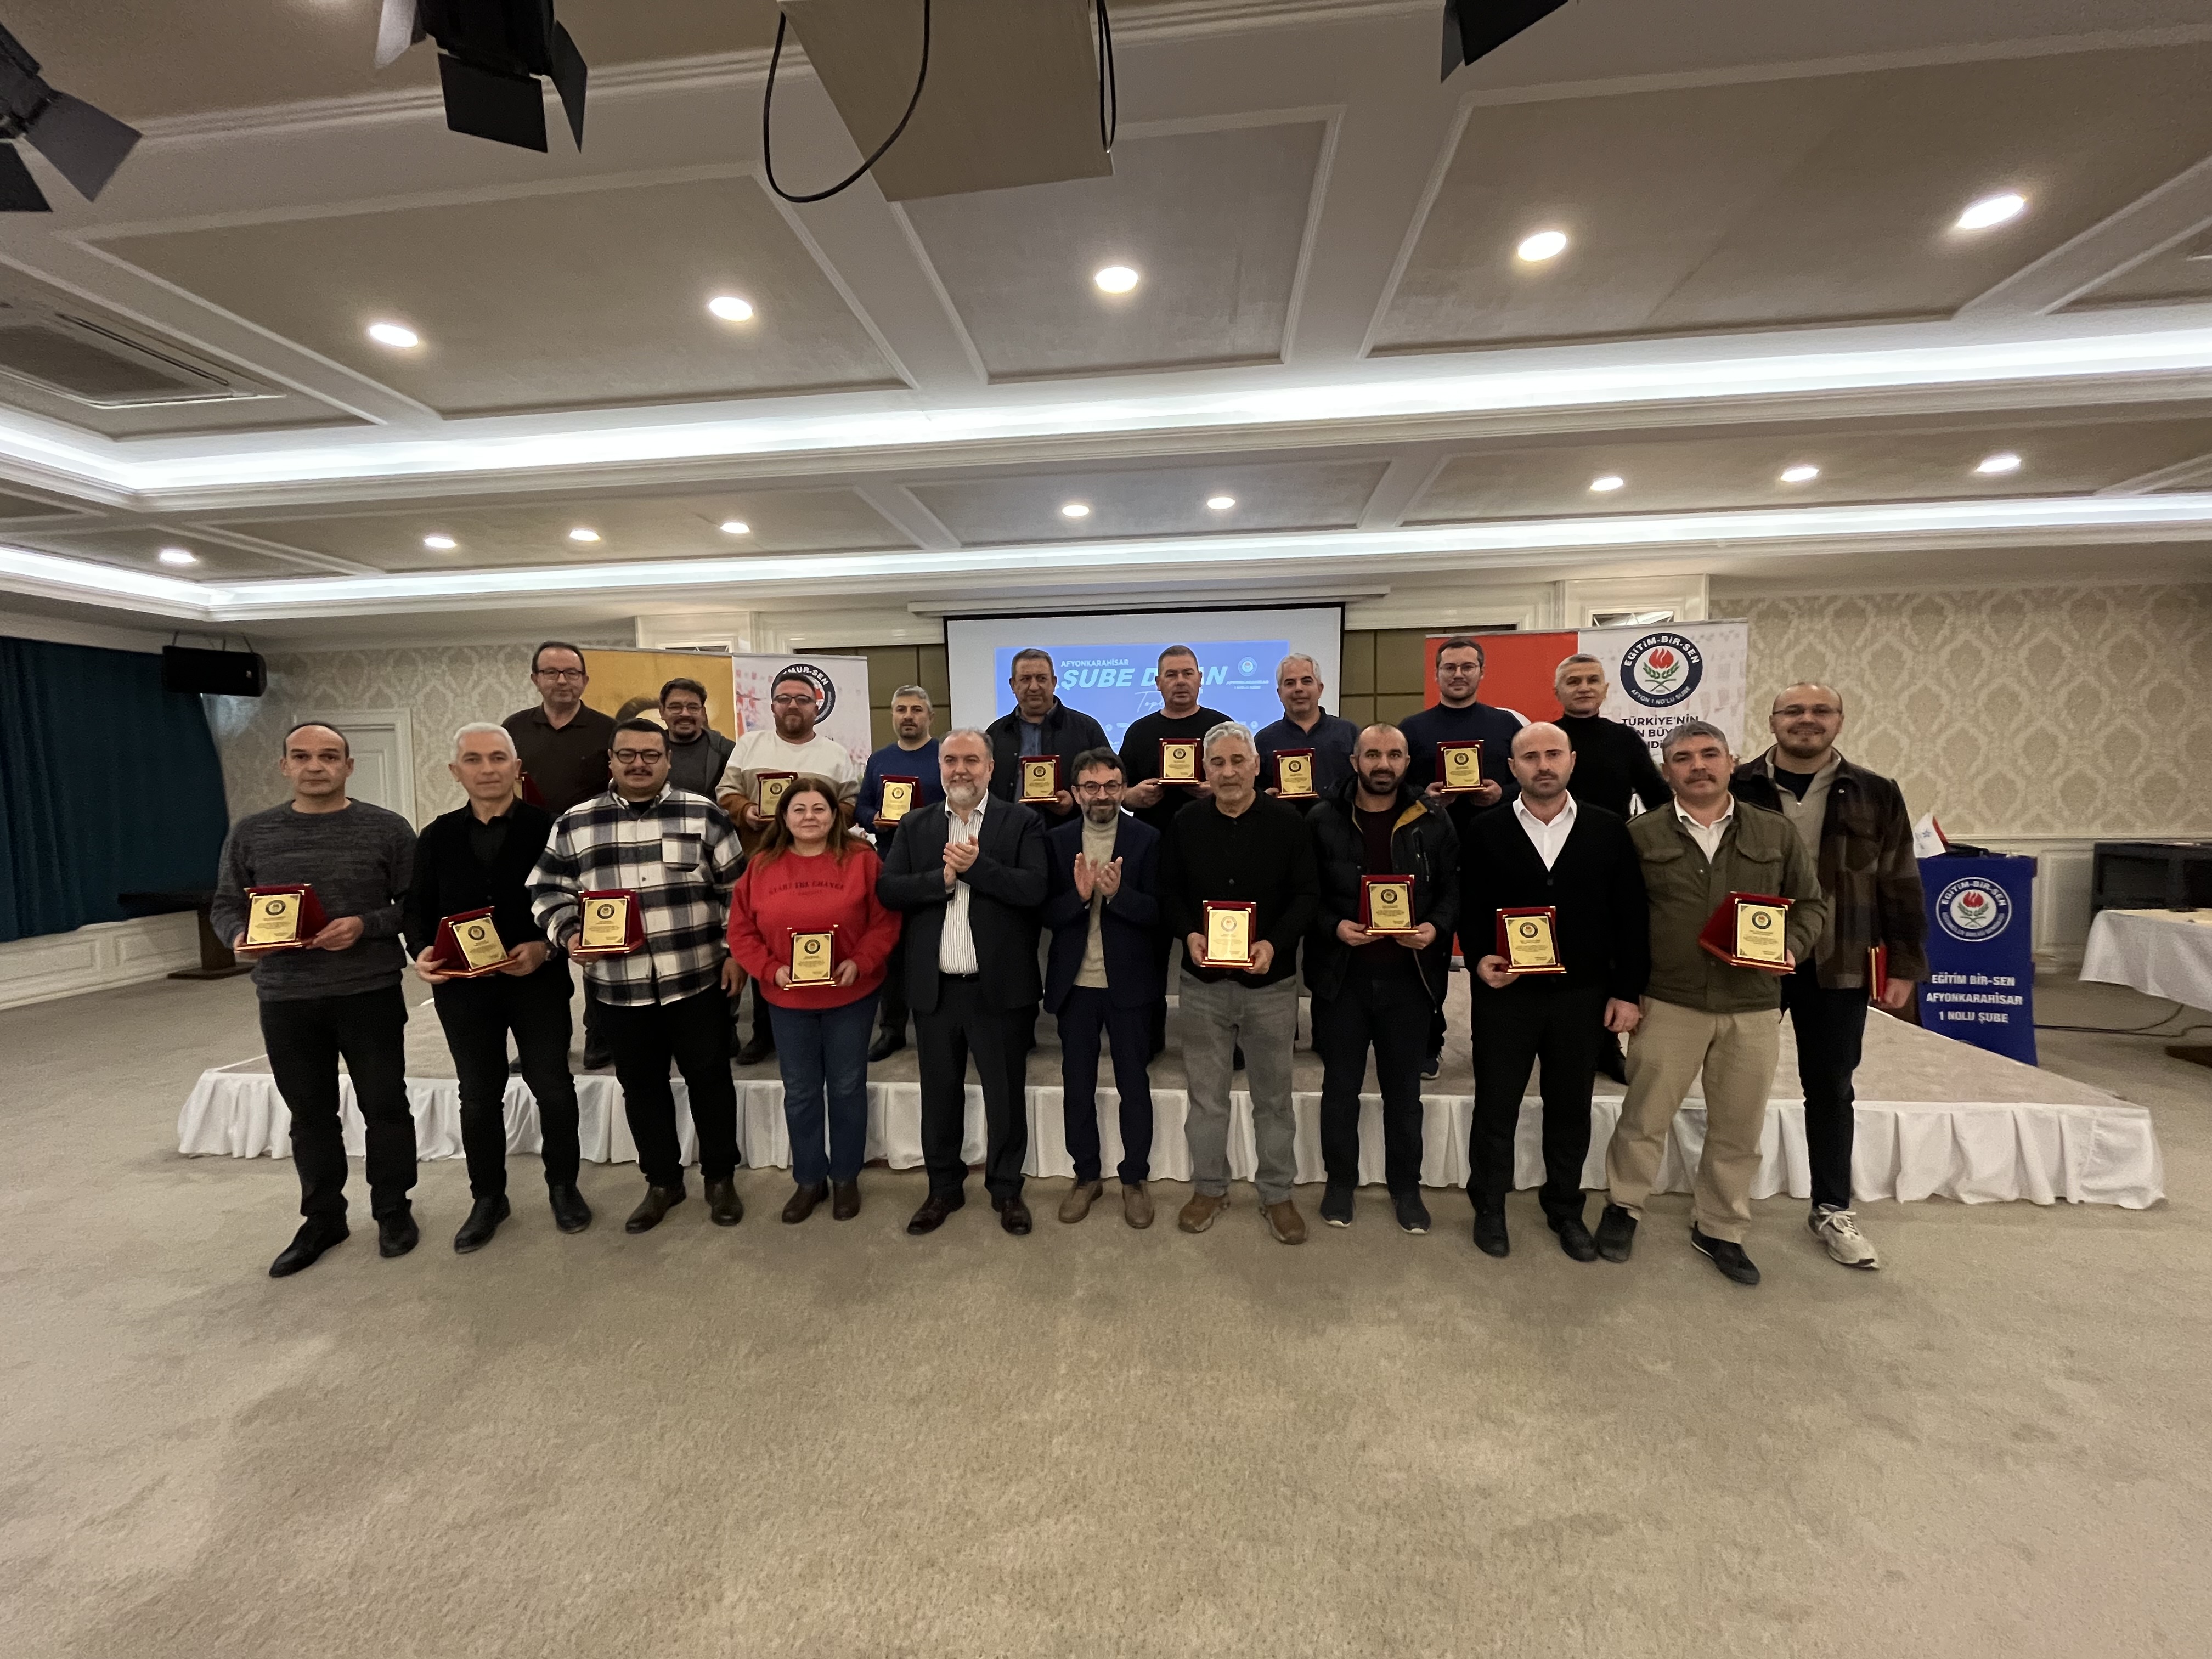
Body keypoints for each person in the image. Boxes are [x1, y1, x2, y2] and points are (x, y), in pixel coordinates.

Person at [1598, 720, 1827, 1286]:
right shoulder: (1639, 834)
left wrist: (1790, 947)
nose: (1697, 766)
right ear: (1666, 771)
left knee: (1738, 1125)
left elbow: (1811, 905)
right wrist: (1624, 990)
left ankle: (1721, 1225)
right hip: (1668, 1001)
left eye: (1709, 754)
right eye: (1683, 758)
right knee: (1644, 1116)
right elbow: (1618, 920)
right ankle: (1624, 1205)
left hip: (1752, 1005)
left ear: (1732, 762)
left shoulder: (1774, 832)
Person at [211, 724, 420, 1277]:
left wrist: (365, 924)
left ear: (349, 766)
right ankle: (323, 1218)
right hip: (287, 996)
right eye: (302, 757)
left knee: (386, 1106)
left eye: (329, 757)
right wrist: (237, 936)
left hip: (369, 990)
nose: (315, 766)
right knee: (310, 1115)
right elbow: (226, 904)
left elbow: (415, 905)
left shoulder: (388, 829)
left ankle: (393, 1208)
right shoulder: (252, 833)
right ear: (285, 766)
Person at [1731, 682, 1927, 1270]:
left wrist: (1905, 963)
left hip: (1838, 961)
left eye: (1821, 711)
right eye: (1793, 711)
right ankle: (1721, 1202)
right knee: (1734, 1084)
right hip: (1752, 960)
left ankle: (1833, 1208)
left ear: (1839, 721)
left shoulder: (1876, 792)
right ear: (1773, 721)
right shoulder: (1736, 785)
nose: (1807, 720)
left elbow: (1899, 879)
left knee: (1831, 1086)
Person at [531, 718, 747, 1234]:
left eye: (651, 755)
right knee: (641, 1088)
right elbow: (547, 890)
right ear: (611, 760)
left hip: (696, 978)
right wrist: (570, 935)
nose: (639, 764)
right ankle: (663, 1181)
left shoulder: (703, 813)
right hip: (618, 986)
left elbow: (738, 892)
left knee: (711, 1082)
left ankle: (720, 1177)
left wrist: (735, 953)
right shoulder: (575, 823)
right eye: (627, 754)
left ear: (668, 761)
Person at [1460, 722, 1649, 1261]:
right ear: (1512, 767)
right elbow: (1471, 907)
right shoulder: (1486, 829)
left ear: (1571, 761)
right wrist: (1479, 958)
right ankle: (1489, 1205)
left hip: (1581, 995)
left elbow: (1631, 916)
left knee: (1571, 1107)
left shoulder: (1609, 829)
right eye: (1529, 757)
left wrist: (1627, 992)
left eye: (1552, 754)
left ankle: (1564, 1207)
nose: (1542, 765)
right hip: (1506, 996)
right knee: (1496, 1106)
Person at [403, 723, 589, 1252]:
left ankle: (564, 1187)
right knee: (479, 1095)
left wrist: (546, 948)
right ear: (455, 771)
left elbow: (580, 899)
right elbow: (417, 908)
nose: (487, 769)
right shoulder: (436, 835)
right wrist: (420, 951)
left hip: (538, 981)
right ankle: (488, 1197)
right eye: (474, 759)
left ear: (517, 768)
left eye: (498, 758)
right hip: (464, 990)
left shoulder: (552, 828)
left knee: (553, 1086)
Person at [876, 729, 1049, 1236]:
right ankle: (943, 1189)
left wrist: (978, 869)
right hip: (936, 990)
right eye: (951, 760)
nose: (961, 770)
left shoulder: (1022, 821)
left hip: (1000, 990)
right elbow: (889, 889)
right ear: (940, 767)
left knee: (1005, 1097)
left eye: (972, 760)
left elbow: (1035, 889)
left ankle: (1006, 1189)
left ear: (991, 768)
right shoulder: (916, 824)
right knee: (940, 1095)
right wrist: (942, 881)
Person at [1160, 720, 1319, 1244]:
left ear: (1256, 765)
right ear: (1205, 770)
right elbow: (1168, 892)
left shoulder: (1289, 823)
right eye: (1218, 763)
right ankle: (1209, 1188)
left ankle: (1276, 1193)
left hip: (1270, 986)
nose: (1228, 772)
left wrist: (1273, 944)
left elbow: (1307, 896)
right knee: (1207, 1097)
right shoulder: (1185, 822)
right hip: (1202, 985)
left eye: (1237, 761)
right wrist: (1188, 933)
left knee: (1274, 1098)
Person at [1305, 723, 1458, 1234]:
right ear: (1355, 762)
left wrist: (1436, 928)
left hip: (1410, 980)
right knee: (1339, 1089)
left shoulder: (1432, 819)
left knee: (1404, 1094)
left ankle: (1406, 1188)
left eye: (1394, 755)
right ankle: (1340, 1183)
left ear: (1407, 763)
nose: (1383, 764)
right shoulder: (1323, 818)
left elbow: (1454, 889)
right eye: (1372, 754)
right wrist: (1334, 926)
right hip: (1342, 978)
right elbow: (1305, 893)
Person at [726, 777, 901, 1224]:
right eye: (799, 809)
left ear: (835, 815)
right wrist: (770, 970)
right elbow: (741, 931)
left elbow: (885, 921)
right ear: (784, 816)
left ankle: (845, 1177)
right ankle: (809, 1179)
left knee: (846, 1087)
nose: (809, 817)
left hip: (851, 995)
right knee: (801, 1091)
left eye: (819, 808)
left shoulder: (863, 860)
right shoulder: (761, 865)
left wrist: (861, 962)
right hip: (788, 1000)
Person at [1041, 748, 1163, 1228]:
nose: (1102, 796)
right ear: (1076, 793)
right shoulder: (1055, 842)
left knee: (1135, 1084)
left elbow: (1161, 915)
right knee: (1078, 1086)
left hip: (1130, 984)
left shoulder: (1147, 839)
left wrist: (1117, 896)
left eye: (1111, 786)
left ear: (1123, 788)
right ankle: (1086, 1175)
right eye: (1091, 787)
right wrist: (1079, 897)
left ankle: (1134, 1178)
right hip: (1076, 985)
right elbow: (1044, 915)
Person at [716, 672, 861, 1065]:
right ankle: (764, 1033)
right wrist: (747, 810)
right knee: (767, 944)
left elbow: (850, 804)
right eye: (784, 699)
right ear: (773, 706)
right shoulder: (750, 746)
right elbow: (725, 792)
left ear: (817, 707)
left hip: (822, 865)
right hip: (760, 861)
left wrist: (821, 822)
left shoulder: (835, 754)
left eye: (802, 699)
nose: (793, 705)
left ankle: (827, 1026)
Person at [504, 642, 619, 1067]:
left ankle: (600, 1036)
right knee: (541, 943)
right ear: (535, 679)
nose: (562, 680)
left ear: (585, 680)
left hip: (593, 851)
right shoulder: (514, 728)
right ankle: (545, 1041)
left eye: (571, 673)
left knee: (596, 939)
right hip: (530, 849)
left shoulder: (608, 729)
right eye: (552, 672)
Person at [1118, 645, 1229, 1051]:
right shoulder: (1139, 732)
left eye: (1187, 673)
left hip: (1212, 859)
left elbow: (1244, 785)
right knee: (1148, 956)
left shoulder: (1222, 728)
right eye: (1171, 674)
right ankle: (1148, 1041)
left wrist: (1216, 790)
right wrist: (1131, 797)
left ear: (1201, 678)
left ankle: (1219, 1043)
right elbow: (1119, 790)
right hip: (1152, 860)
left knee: (1213, 952)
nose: (1180, 681)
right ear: (1157, 682)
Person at [856, 684, 942, 1061]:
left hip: (939, 863)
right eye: (902, 709)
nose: (909, 716)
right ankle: (892, 1028)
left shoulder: (944, 755)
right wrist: (872, 818)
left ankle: (938, 1025)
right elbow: (861, 806)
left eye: (916, 710)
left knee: (938, 947)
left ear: (930, 717)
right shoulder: (879, 760)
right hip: (891, 862)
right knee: (891, 949)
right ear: (892, 716)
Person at [985, 648, 1108, 830]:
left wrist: (1075, 801)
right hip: (1010, 834)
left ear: (1054, 682)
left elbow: (1109, 782)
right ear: (1013, 685)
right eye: (1025, 679)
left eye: (1041, 678)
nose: (1034, 687)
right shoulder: (996, 733)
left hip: (1071, 833)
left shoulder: (1086, 729)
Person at [1552, 653, 1668, 817]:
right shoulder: (1543, 739)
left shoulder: (1625, 738)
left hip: (1617, 832)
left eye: (1593, 680)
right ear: (1557, 693)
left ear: (1605, 690)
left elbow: (1658, 798)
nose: (1584, 688)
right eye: (1574, 682)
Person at [1256, 652, 1359, 811]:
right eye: (1290, 683)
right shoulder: (1263, 740)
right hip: (1284, 824)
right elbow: (1252, 793)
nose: (1299, 688)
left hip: (1340, 823)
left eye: (1306, 681)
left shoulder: (1349, 733)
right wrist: (1263, 799)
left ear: (1320, 689)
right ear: (1280, 693)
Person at [659, 676, 735, 798]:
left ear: (703, 713)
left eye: (693, 707)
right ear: (662, 712)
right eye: (675, 707)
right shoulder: (647, 751)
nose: (685, 713)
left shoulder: (727, 751)